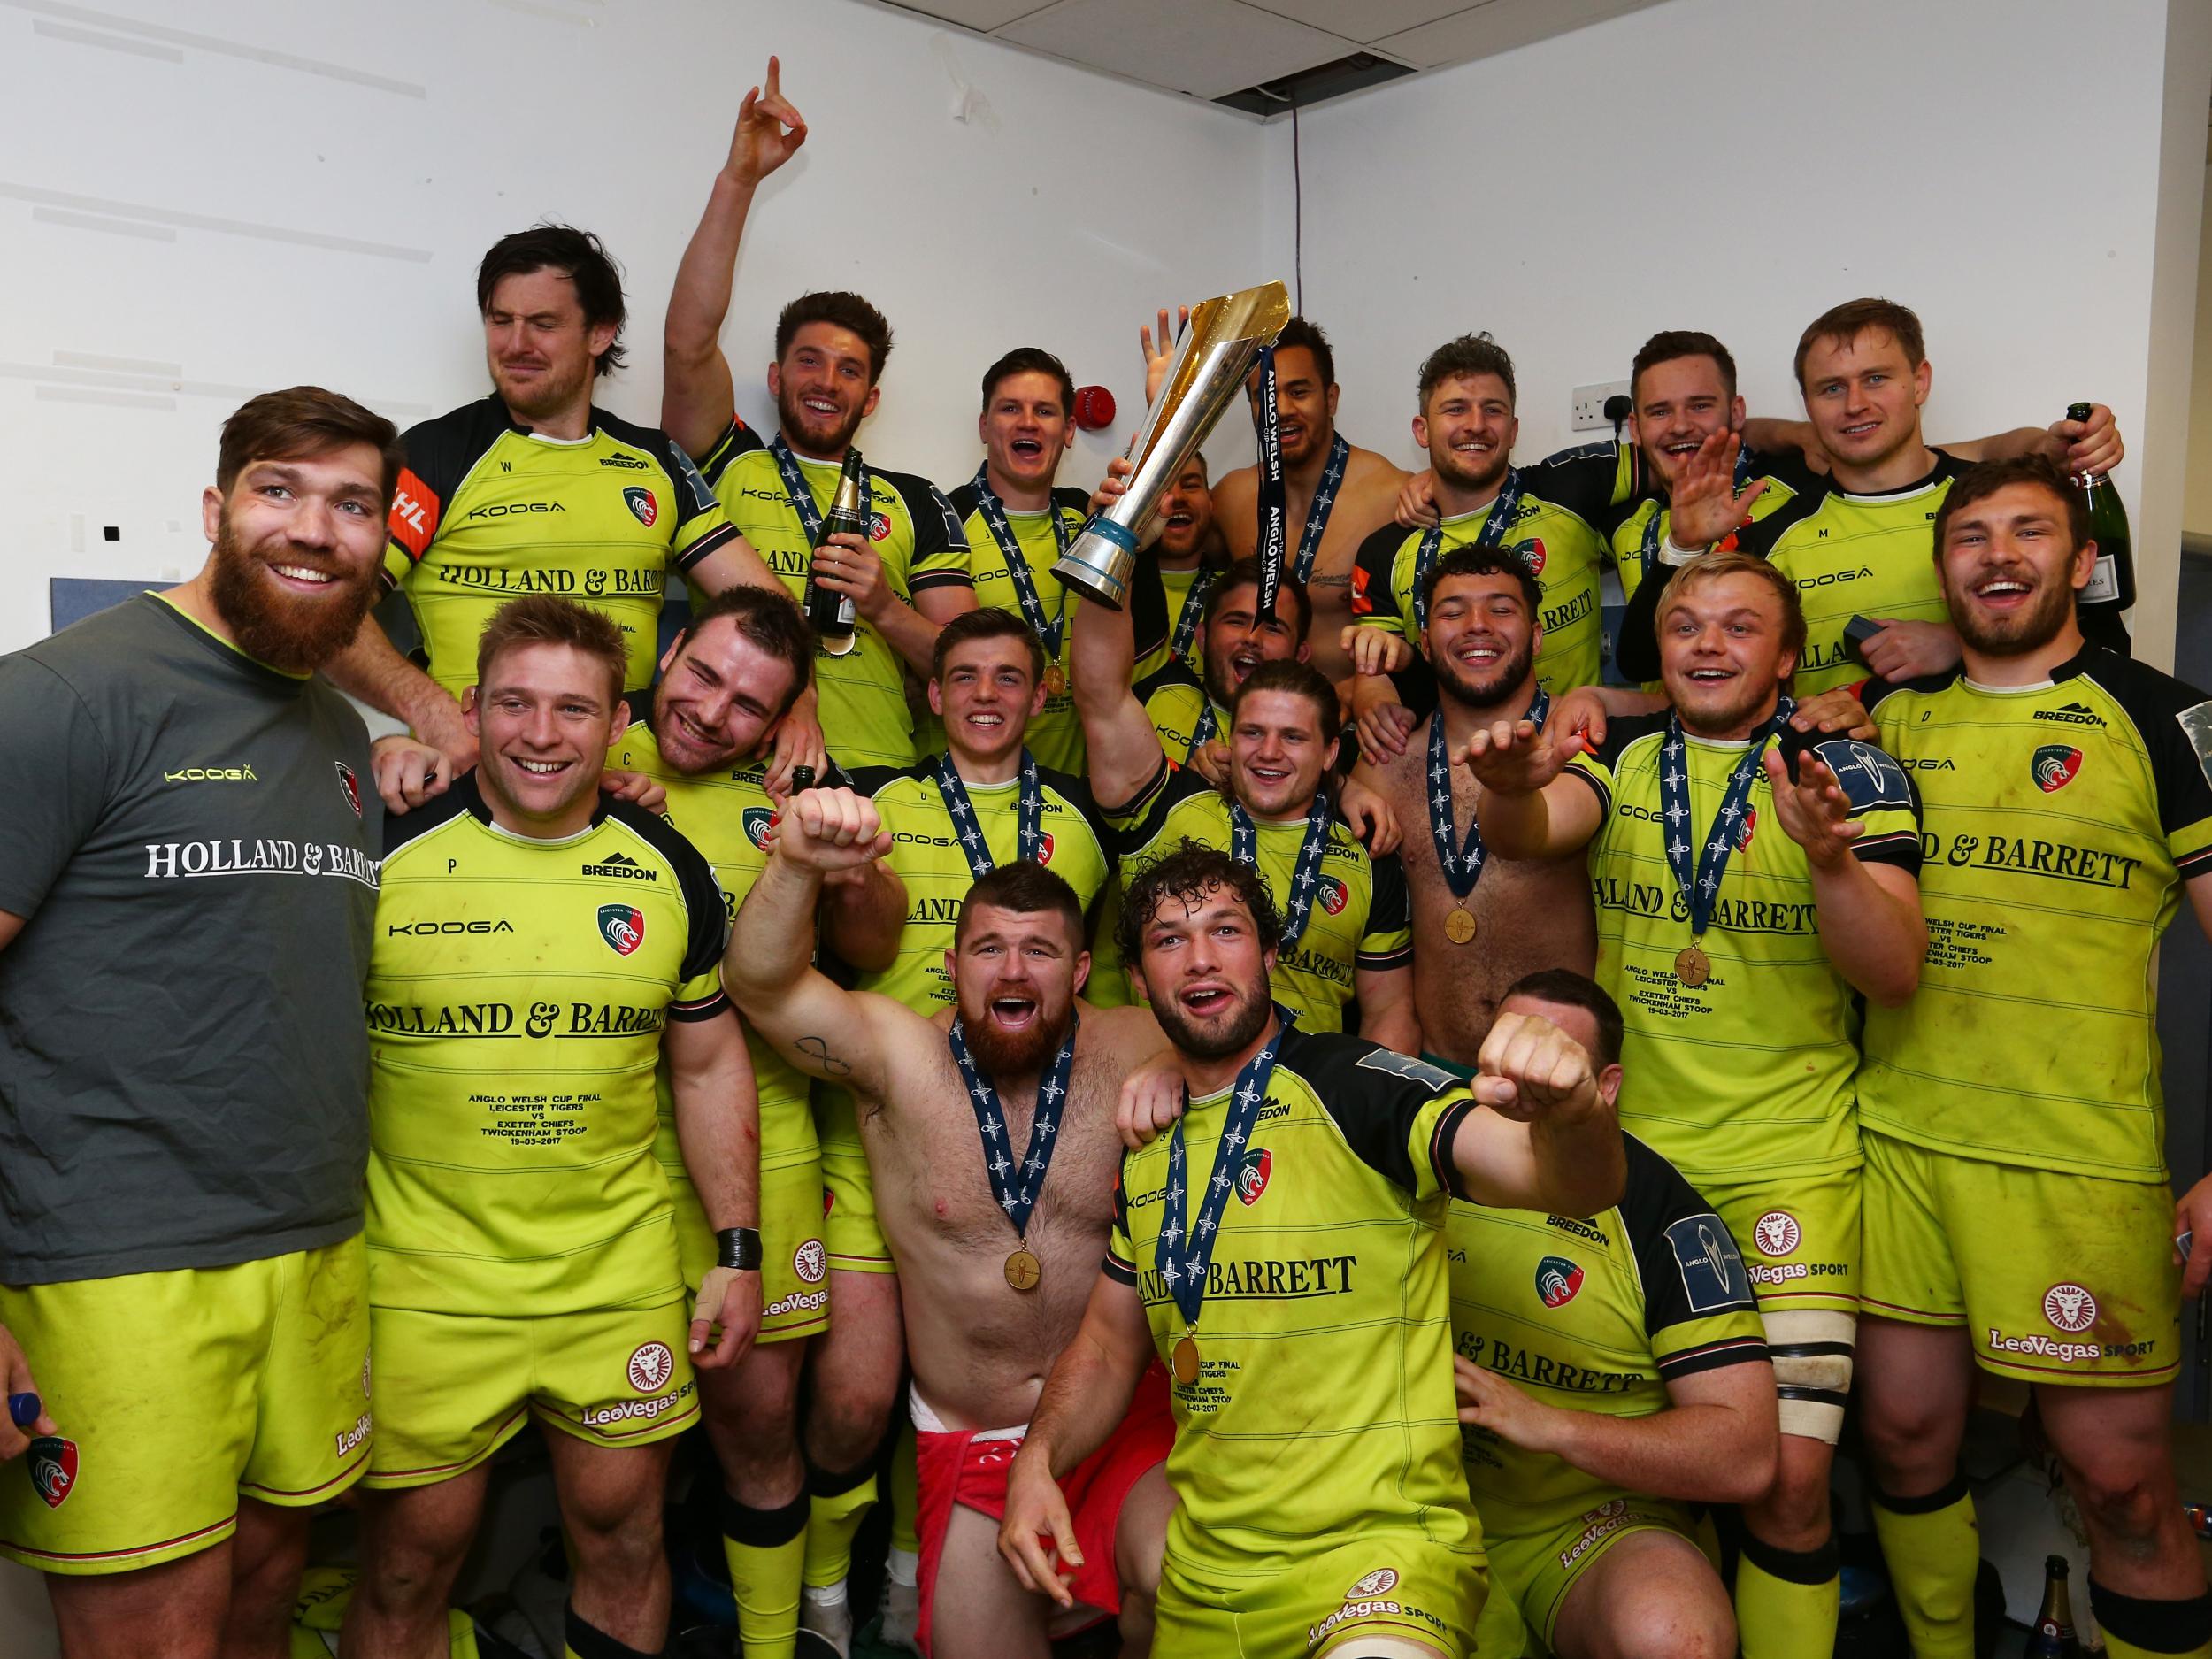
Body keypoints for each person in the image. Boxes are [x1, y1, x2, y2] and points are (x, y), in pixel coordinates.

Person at [1462, 552, 1925, 1657]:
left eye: (1737, 627)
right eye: (1684, 626)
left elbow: (1895, 971)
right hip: (1624, 1169)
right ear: (1657, 650)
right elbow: (1528, 832)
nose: (1707, 645)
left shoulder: (1847, 779)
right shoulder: (1618, 757)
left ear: (1784, 654)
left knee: (1786, 1486)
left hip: (1788, 1168)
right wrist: (1513, 782)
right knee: (1640, 1460)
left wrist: (1831, 865)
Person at [999, 844, 1628, 1657]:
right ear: (1137, 975)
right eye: (1167, 939)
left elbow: (1569, 1185)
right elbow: (1111, 1344)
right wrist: (1035, 1459)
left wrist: (1575, 1115)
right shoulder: (1150, 1140)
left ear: (1268, 954)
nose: (1199, 957)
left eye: (1226, 929)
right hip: (1212, 1574)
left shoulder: (1362, 1085)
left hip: (1379, 1561)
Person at [0, 388, 395, 1656]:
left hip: (316, 1245)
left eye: (353, 502)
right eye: (281, 488)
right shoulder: (60, 695)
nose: (317, 528)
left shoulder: (340, 728)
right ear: (218, 509)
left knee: (269, 1595)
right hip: (113, 1263)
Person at [342, 595, 757, 1659]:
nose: (540, 735)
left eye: (573, 710)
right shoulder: (376, 849)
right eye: (515, 704)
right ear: (471, 710)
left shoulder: (668, 867)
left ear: (619, 721)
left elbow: (708, 1063)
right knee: (404, 1568)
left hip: (609, 1277)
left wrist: (738, 1251)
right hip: (425, 1282)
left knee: (622, 1544)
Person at [1852, 457, 2212, 1659]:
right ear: (1940, 562)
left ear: (2080, 559)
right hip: (1899, 1144)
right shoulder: (1884, 721)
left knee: (2119, 1484)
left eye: (2028, 531)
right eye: (1970, 535)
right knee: (1902, 1440)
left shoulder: (2164, 716)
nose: (1996, 554)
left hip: (2079, 1164)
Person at [726, 810, 1179, 1659]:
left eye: (1040, 951)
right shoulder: (898, 1057)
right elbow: (765, 986)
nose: (1013, 970)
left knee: (1184, 1578)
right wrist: (794, 862)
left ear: (1081, 970)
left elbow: (1263, 1045)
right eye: (989, 949)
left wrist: (1181, 1067)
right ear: (951, 966)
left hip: (1122, 1422)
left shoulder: (1137, 1042)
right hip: (978, 1439)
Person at [797, 610, 1124, 1650]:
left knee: (973, 1357)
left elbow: (1096, 979)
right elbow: (855, 948)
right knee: (856, 1393)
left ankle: (913, 1571)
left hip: (1022, 1123)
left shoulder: (1077, 818)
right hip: (892, 1111)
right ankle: (818, 1586)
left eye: (1010, 678)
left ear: (1043, 697)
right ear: (930, 697)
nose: (986, 696)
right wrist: (862, 883)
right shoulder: (881, 802)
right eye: (963, 677)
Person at [599, 584, 906, 1659]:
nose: (711, 712)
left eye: (746, 704)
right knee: (612, 1458)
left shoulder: (796, 785)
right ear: (669, 651)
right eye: (701, 676)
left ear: (781, 720)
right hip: (603, 1159)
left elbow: (871, 944)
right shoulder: (582, 736)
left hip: (764, 1146)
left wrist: (845, 851)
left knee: (757, 1427)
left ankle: (782, 1644)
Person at [319, 224, 791, 775]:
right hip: (485, 774)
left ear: (600, 333)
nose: (516, 344)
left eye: (543, 324)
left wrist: (798, 702)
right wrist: (433, 712)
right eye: (501, 321)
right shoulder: (437, 452)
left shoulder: (655, 460)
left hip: (635, 788)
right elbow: (326, 608)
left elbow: (770, 616)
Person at [1447, 970, 1775, 1659]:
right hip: (1416, 1497)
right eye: (1508, 1058)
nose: (1524, 1082)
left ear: (1608, 1086)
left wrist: (1551, 1425)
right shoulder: (1424, 1152)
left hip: (1582, 1522)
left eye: (1555, 1064)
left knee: (1675, 1637)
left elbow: (1746, 1455)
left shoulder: (1665, 1217)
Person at [664, 62, 974, 773]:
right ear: (774, 378)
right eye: (808, 361)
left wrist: (886, 606)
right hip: (737, 763)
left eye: (850, 370)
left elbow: (968, 669)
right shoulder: (718, 455)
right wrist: (738, 183)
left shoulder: (916, 499)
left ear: (871, 400)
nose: (826, 382)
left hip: (883, 774)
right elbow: (687, 343)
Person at [1697, 298, 2126, 695]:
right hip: (1831, 774)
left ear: (1920, 382)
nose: (1855, 404)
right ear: (1806, 403)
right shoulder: (1769, 537)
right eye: (1831, 388)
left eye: (1876, 378)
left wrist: (1959, 643)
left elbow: (2106, 644)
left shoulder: (1997, 504)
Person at [1075, 571, 1417, 1048]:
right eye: (1252, 733)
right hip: (1162, 1089)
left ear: (1329, 754)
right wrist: (1120, 532)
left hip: (1299, 1105)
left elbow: (1391, 1011)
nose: (1269, 752)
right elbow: (1101, 695)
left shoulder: (1367, 851)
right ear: (1229, 738)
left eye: (1293, 737)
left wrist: (1361, 1114)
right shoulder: (1167, 808)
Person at [1348, 549, 1594, 1070]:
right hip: (1434, 1077)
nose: (1477, 627)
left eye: (1501, 610)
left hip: (1561, 1070)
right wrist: (1339, 785)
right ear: (1425, 644)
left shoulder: (1579, 743)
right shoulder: (1385, 765)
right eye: (1452, 612)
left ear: (1537, 635)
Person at [1350, 334, 1640, 732]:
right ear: (1422, 430)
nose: (1476, 425)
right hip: (1450, 768)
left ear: (1514, 428)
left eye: (1493, 410)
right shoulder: (1385, 551)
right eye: (1455, 409)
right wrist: (1378, 707)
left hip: (1571, 752)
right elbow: (1374, 671)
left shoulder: (1571, 490)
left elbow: (1681, 449)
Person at [948, 346, 1171, 774]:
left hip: (1078, 797)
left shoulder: (1090, 516)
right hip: (968, 797)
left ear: (1069, 430)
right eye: (1010, 408)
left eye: (1045, 411)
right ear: (984, 426)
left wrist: (1162, 412)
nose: (1028, 422)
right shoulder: (944, 520)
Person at [1190, 314, 1409, 683]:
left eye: (1299, 391)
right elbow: (1163, 548)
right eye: (1266, 396)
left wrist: (1358, 695)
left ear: (1331, 398)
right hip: (1254, 726)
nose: (1282, 410)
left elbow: (1423, 633)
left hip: (1349, 726)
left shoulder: (1391, 496)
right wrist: (1168, 410)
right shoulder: (1231, 497)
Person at [1149, 454, 1224, 679]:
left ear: (1211, 502)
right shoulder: (1113, 594)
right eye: (1160, 486)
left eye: (1190, 485)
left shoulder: (1237, 596)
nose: (1177, 497)